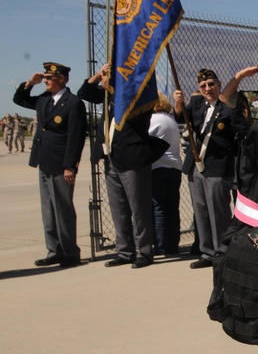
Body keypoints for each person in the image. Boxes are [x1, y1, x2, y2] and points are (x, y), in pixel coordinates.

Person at [78, 63, 167, 269]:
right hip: (111, 158)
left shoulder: (138, 99)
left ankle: (144, 250)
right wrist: (97, 76)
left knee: (139, 208)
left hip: (133, 159)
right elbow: (84, 92)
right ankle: (125, 251)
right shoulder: (109, 97)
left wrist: (114, 89)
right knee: (118, 208)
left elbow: (137, 119)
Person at [12, 62, 87, 268]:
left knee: (63, 209)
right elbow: (19, 99)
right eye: (44, 77)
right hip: (44, 160)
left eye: (48, 77)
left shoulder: (73, 103)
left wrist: (70, 165)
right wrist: (29, 83)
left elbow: (76, 137)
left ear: (61, 79)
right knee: (48, 210)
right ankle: (54, 250)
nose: (45, 80)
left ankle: (71, 253)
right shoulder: (44, 99)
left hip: (61, 163)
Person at [174, 69, 245, 269]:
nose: (208, 89)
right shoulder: (196, 105)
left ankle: (221, 252)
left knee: (218, 212)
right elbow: (181, 117)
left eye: (211, 84)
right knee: (201, 210)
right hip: (196, 167)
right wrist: (178, 102)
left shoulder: (229, 110)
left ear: (219, 85)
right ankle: (206, 252)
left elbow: (242, 137)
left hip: (218, 167)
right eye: (203, 86)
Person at [149, 93, 183, 256]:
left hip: (158, 166)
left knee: (158, 207)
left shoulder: (152, 120)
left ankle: (161, 245)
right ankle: (173, 243)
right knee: (172, 206)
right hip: (175, 167)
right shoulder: (170, 119)